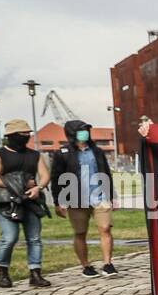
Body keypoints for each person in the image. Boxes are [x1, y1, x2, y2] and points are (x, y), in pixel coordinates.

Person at [0, 119, 52, 288]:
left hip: (31, 200)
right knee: (9, 238)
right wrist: (20, 183)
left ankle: (35, 273)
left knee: (34, 238)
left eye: (28, 133)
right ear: (11, 136)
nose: (27, 136)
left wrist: (39, 188)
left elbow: (44, 175)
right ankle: (3, 271)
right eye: (23, 134)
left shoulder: (34, 155)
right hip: (7, 202)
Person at [49, 119, 117, 278]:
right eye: (81, 130)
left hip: (99, 197)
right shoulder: (62, 154)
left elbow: (106, 173)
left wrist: (112, 195)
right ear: (72, 133)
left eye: (86, 129)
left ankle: (108, 264)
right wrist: (58, 202)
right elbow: (56, 178)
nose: (85, 132)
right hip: (76, 199)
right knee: (80, 232)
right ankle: (86, 266)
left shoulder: (97, 151)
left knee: (105, 228)